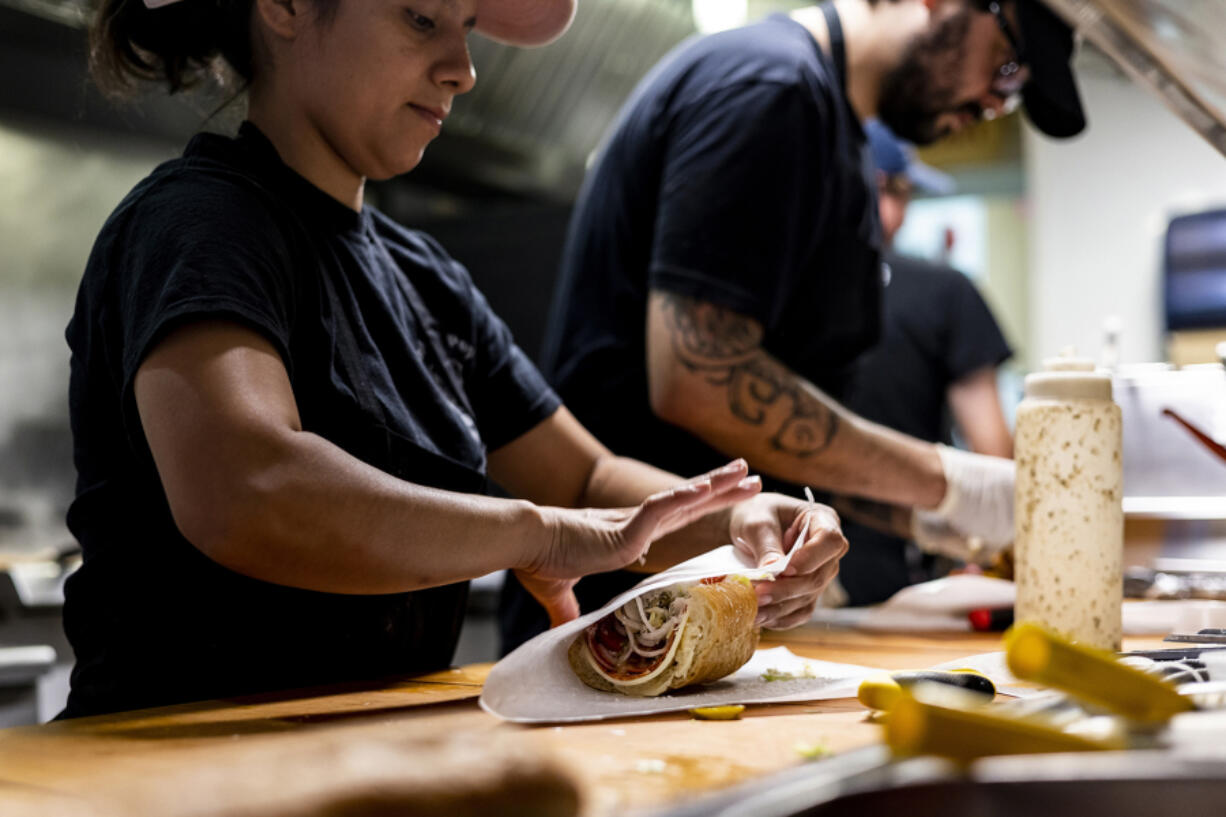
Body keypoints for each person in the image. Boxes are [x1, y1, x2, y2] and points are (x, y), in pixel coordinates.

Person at [62, 0, 850, 719]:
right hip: (174, 757)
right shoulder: (199, 224)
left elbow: (584, 482)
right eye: (420, 19)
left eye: (467, 28)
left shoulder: (427, 281)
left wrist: (740, 522)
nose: (463, 70)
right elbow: (247, 486)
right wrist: (531, 533)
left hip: (365, 753)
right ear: (286, 6)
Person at [500, 0, 1084, 650]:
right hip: (620, 615)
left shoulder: (834, 135)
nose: (991, 105)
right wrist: (950, 483)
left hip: (702, 609)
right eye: (1006, 69)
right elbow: (700, 374)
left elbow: (789, 425)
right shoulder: (770, 90)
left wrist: (933, 515)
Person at [833, 119, 1014, 604]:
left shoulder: (786, 298)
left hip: (794, 565)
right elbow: (992, 449)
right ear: (880, 191)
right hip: (907, 572)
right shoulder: (946, 291)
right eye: (907, 194)